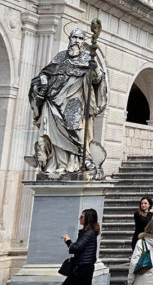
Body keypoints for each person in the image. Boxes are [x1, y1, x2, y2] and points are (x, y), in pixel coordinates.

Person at [26, 28, 108, 178]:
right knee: (52, 134)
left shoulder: (87, 59)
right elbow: (46, 73)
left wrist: (94, 69)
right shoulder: (60, 57)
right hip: (53, 102)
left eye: (80, 38)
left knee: (76, 132)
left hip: (74, 104)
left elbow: (97, 80)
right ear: (69, 39)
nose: (76, 41)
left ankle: (78, 163)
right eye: (74, 37)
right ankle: (60, 164)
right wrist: (43, 79)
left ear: (83, 42)